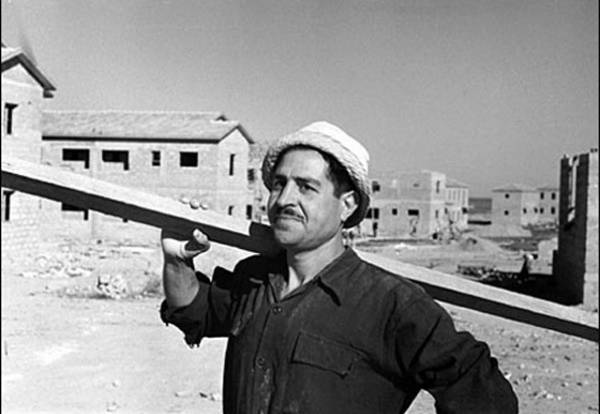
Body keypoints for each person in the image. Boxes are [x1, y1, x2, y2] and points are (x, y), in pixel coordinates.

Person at [160, 121, 518, 414]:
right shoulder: (253, 279)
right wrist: (177, 261)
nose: (284, 200)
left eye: (306, 187)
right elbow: (195, 311)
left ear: (346, 205)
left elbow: (486, 398)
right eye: (279, 184)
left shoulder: (391, 305)